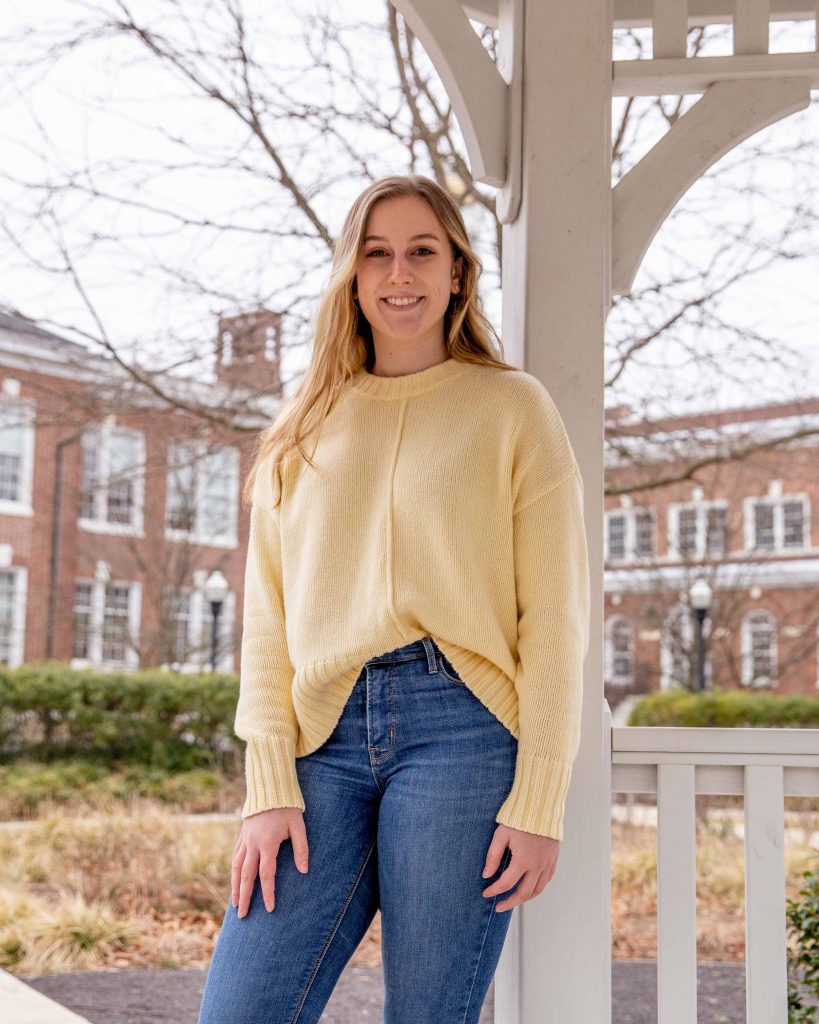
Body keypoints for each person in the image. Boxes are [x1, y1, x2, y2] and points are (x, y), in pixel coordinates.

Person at [197, 174, 590, 1024]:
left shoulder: (513, 409)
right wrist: (266, 784)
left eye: (421, 251)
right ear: (351, 275)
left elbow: (555, 620)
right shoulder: (299, 428)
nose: (398, 272)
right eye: (376, 253)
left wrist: (539, 799)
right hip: (320, 744)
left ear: (457, 273)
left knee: (426, 1013)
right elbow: (267, 621)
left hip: (464, 734)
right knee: (240, 1009)